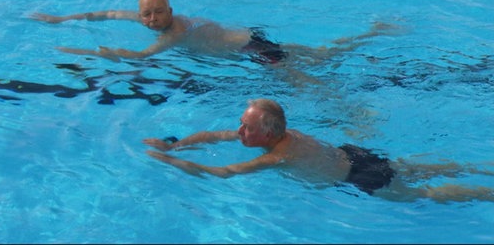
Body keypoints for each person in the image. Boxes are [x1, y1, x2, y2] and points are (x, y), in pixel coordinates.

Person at [143, 98, 494, 203]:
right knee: (416, 168)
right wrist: (175, 143)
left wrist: (169, 161)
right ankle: (484, 168)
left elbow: (222, 173)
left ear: (265, 134)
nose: (238, 131)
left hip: (359, 173)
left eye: (246, 127)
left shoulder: (277, 156)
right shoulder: (281, 133)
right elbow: (214, 135)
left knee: (424, 194)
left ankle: (486, 192)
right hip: (356, 154)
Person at [30, 0, 393, 68]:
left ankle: (372, 36)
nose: (152, 20)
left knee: (313, 68)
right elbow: (106, 14)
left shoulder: (174, 32)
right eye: (146, 15)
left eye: (158, 13)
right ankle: (372, 34)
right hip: (247, 38)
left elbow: (140, 56)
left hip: (252, 49)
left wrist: (86, 52)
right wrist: (62, 20)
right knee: (317, 55)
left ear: (170, 11)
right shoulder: (141, 16)